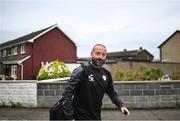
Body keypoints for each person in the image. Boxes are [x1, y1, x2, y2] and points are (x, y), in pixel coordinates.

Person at [61, 44, 130, 120]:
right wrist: (69, 116)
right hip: (79, 117)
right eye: (97, 53)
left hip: (96, 117)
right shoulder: (81, 71)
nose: (100, 57)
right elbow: (67, 94)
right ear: (91, 54)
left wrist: (121, 105)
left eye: (103, 54)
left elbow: (112, 93)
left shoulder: (106, 74)